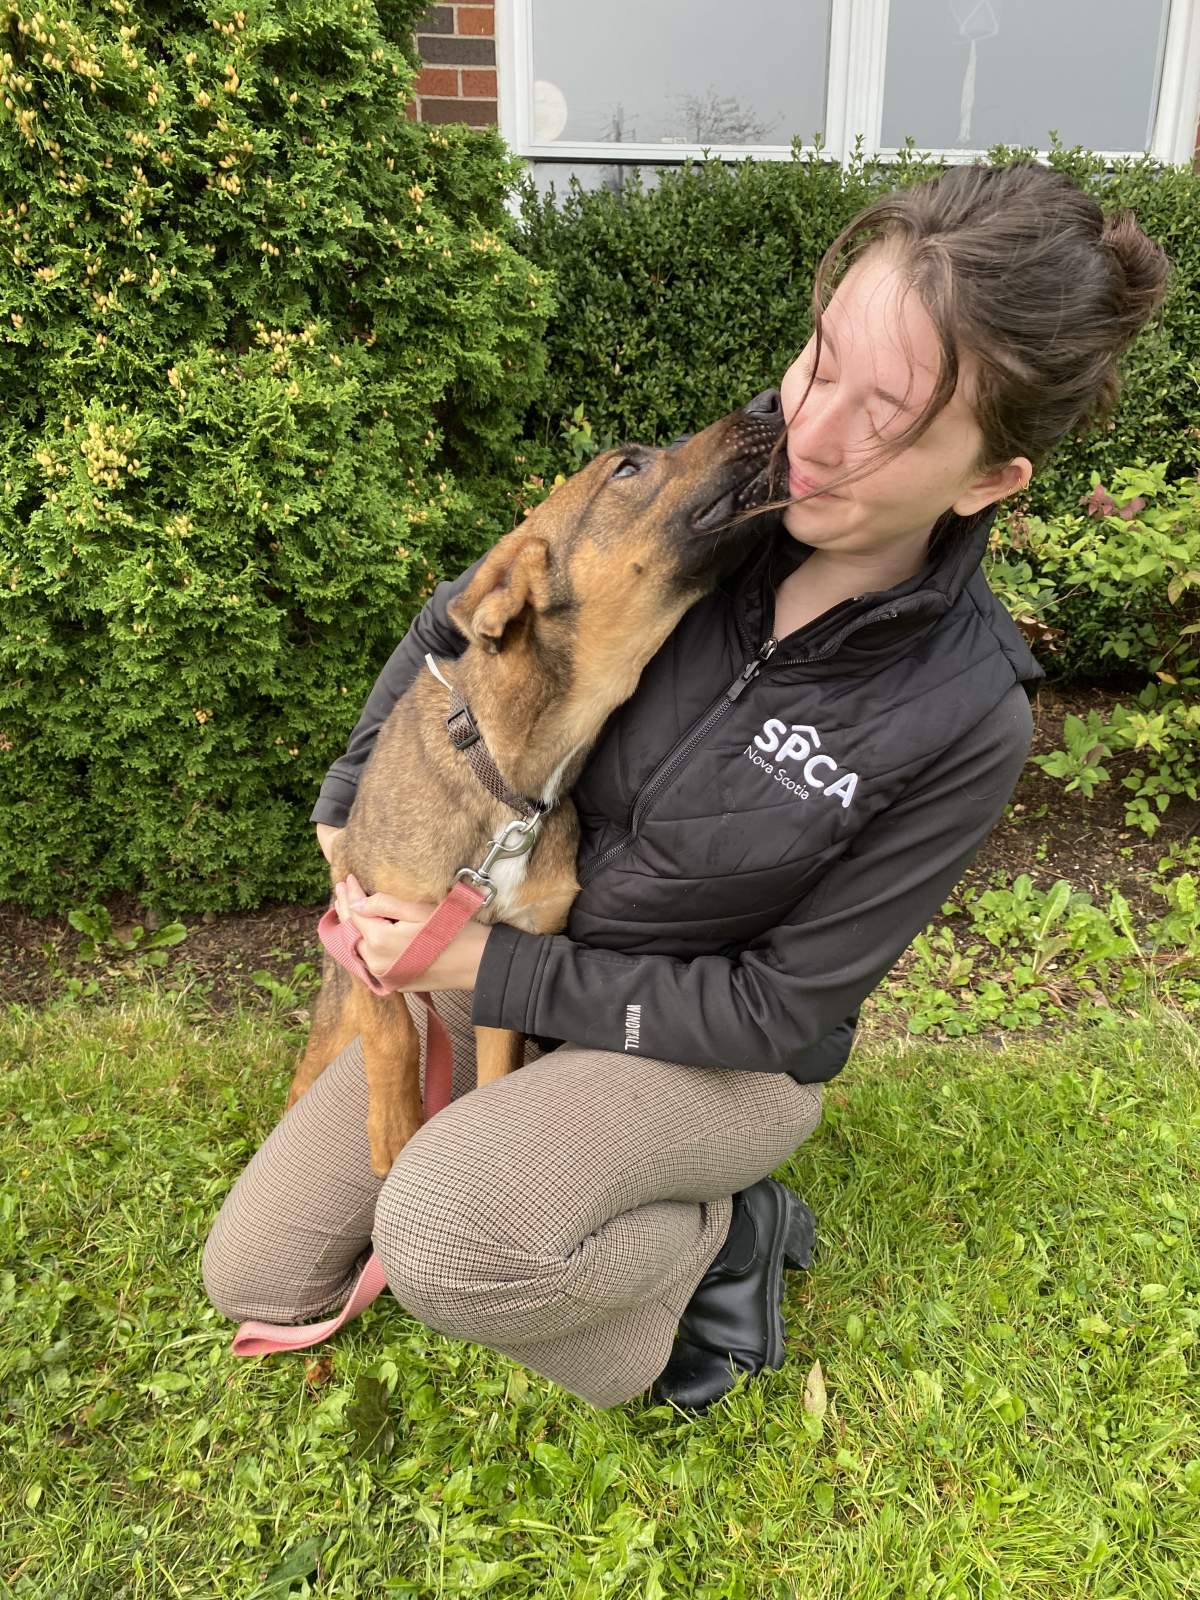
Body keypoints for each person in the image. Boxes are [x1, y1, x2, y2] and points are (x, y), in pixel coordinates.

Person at [203, 161, 1170, 1414]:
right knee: (257, 1274)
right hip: (521, 962)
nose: (811, 434)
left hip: (711, 1055)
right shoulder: (726, 495)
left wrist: (490, 977)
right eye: (820, 361)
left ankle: (724, 1242)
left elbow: (776, 1010)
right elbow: (477, 607)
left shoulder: (965, 714)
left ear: (987, 480)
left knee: (451, 1243)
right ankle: (548, 1163)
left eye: (889, 421)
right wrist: (350, 789)